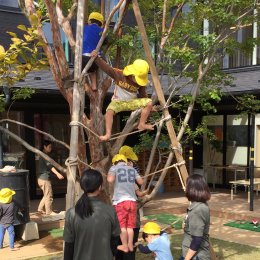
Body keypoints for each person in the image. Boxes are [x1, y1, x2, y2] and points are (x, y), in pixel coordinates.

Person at [91, 50, 154, 141]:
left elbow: (143, 95)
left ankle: (142, 123)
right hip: (118, 102)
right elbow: (107, 68)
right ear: (132, 73)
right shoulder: (119, 74)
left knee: (149, 102)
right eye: (137, 78)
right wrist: (97, 58)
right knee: (109, 111)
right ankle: (108, 134)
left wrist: (149, 108)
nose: (137, 81)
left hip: (132, 103)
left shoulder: (140, 84)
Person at [63, 169, 121, 260]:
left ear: (82, 187)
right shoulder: (110, 211)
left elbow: (69, 246)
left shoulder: (71, 213)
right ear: (100, 187)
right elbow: (115, 240)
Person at [108, 154, 143, 253]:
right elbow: (141, 182)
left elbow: (110, 180)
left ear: (115, 162)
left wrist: (112, 173)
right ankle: (130, 244)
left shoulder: (114, 167)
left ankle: (124, 245)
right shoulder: (132, 169)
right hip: (132, 201)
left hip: (120, 202)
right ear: (125, 161)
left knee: (122, 227)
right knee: (130, 226)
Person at [180, 174, 211, 260]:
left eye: (187, 186)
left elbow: (197, 240)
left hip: (195, 256)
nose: (185, 188)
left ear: (192, 189)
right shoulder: (197, 204)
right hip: (190, 254)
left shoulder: (198, 209)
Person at [37, 140, 64, 215]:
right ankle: (49, 212)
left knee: (46, 194)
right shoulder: (44, 155)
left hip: (41, 179)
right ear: (44, 147)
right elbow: (50, 166)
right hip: (44, 179)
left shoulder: (43, 155)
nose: (50, 148)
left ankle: (40, 208)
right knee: (49, 196)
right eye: (49, 147)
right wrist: (58, 174)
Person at [82, 11, 104, 91]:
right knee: (93, 70)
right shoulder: (102, 31)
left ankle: (84, 84)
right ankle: (94, 86)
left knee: (84, 71)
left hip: (83, 58)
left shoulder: (83, 28)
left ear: (90, 20)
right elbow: (106, 41)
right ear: (100, 22)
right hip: (95, 59)